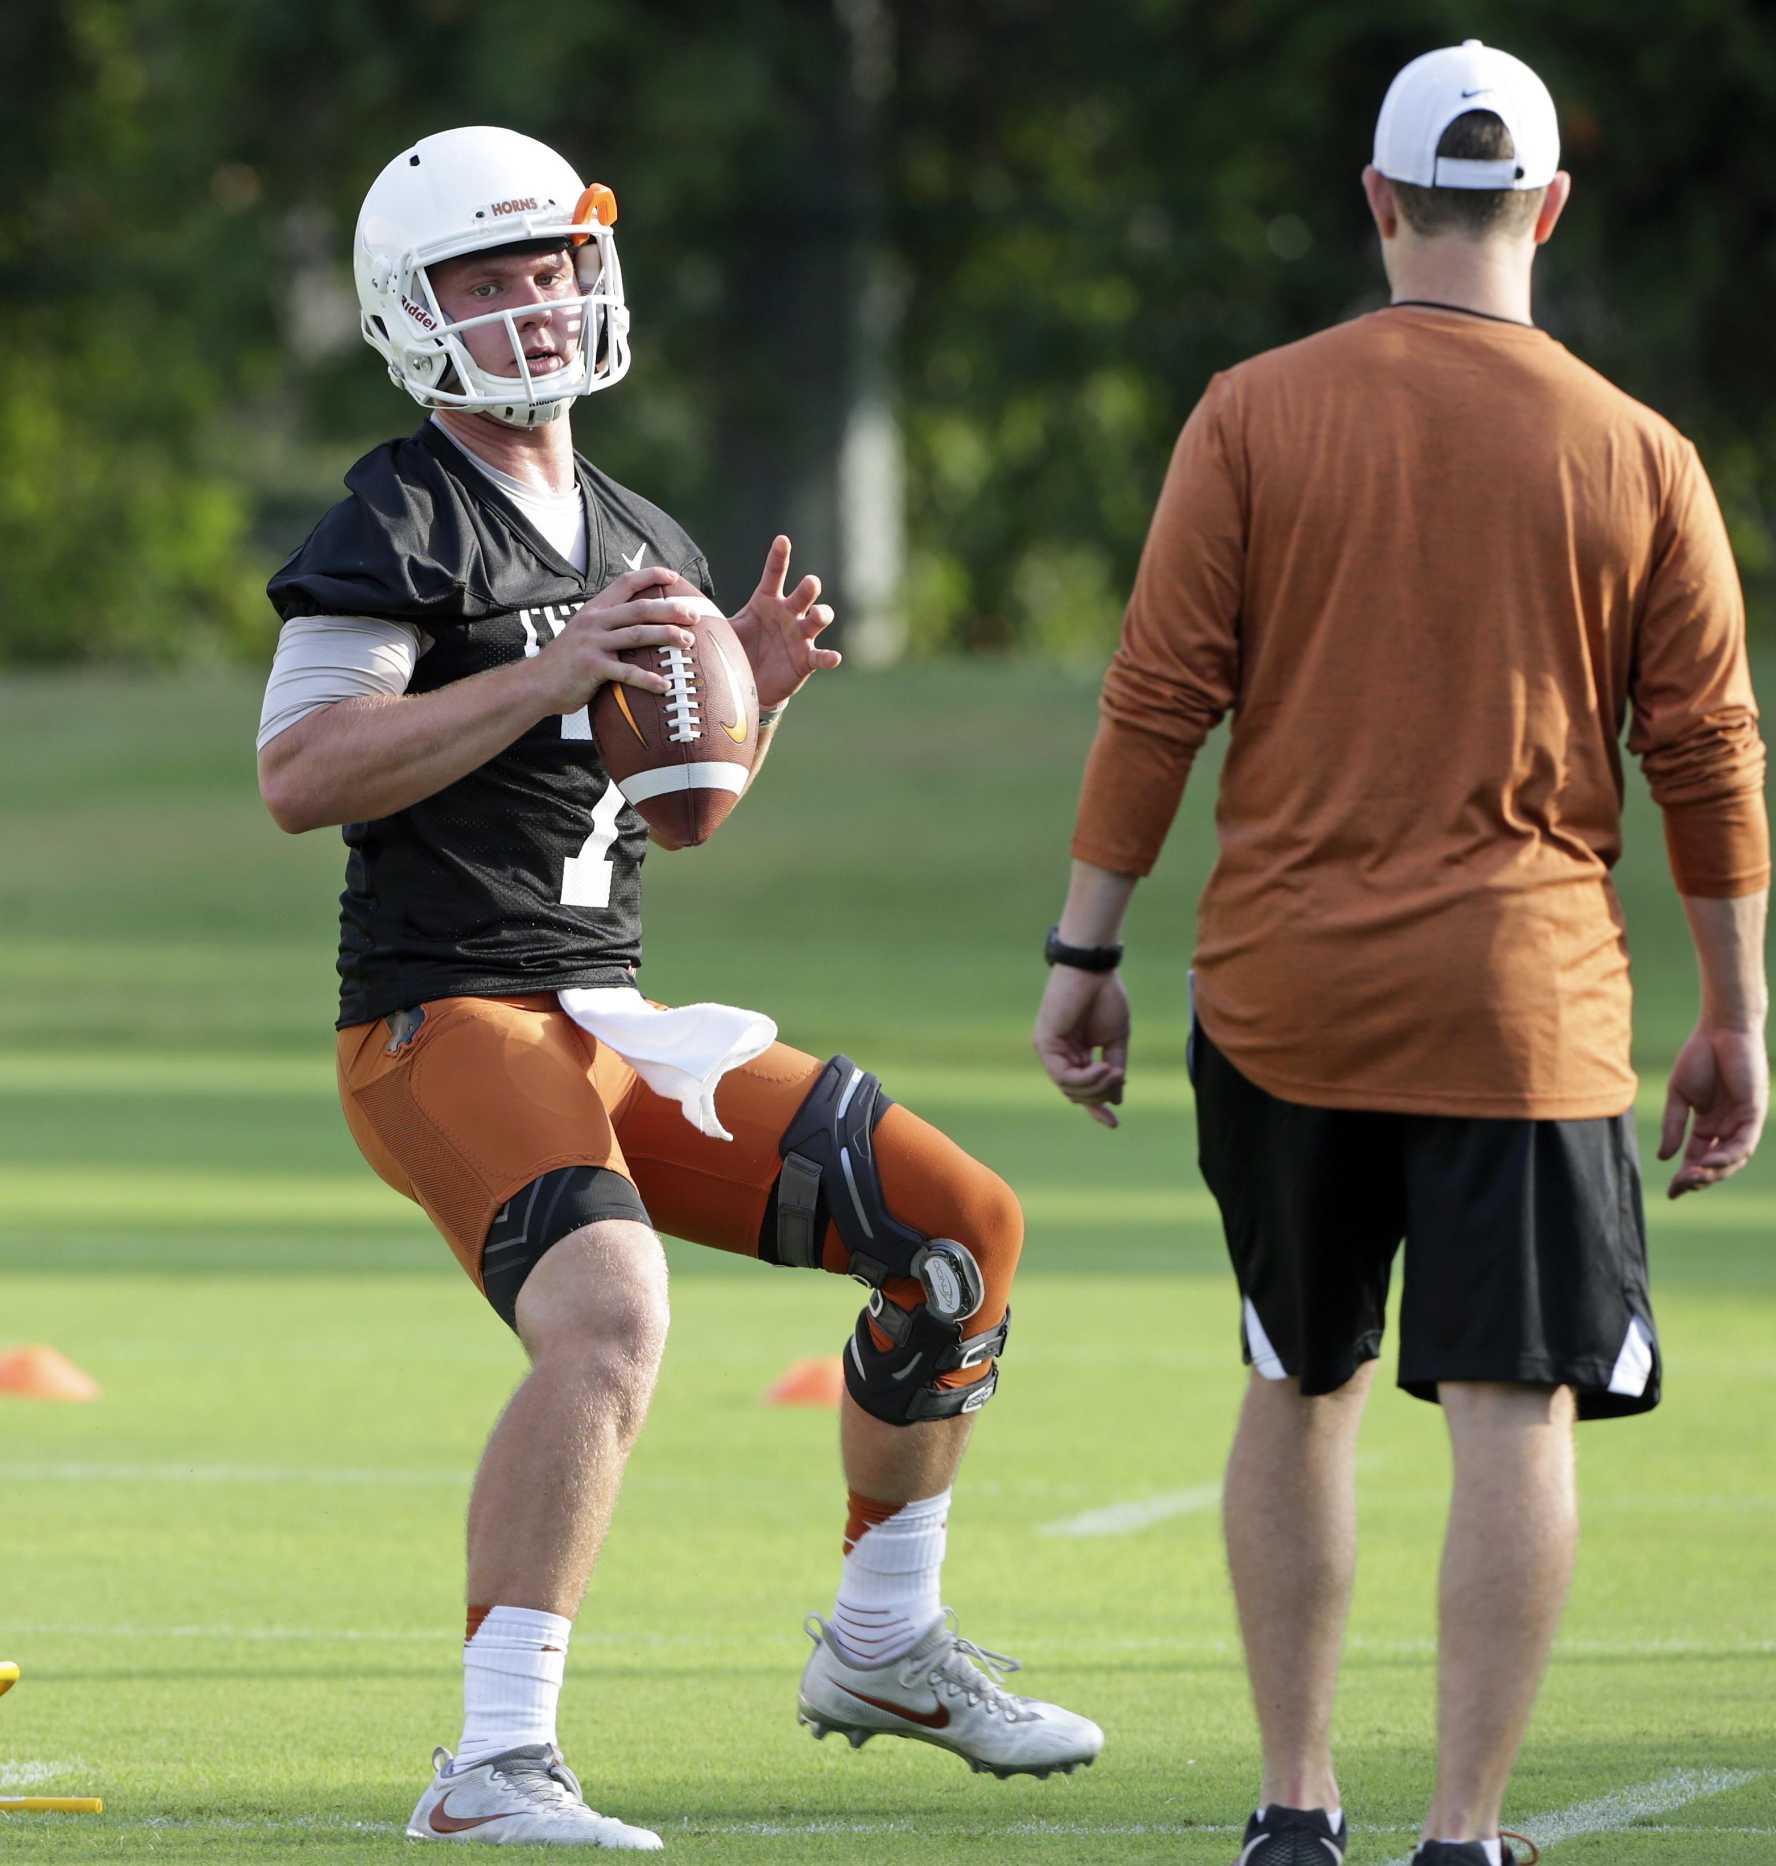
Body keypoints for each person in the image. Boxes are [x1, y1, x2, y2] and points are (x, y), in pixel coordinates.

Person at [257, 126, 1102, 1849]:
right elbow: (301, 766)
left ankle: (884, 1644)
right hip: (445, 1017)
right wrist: (553, 668)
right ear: (412, 314)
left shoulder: (639, 523)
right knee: (612, 1311)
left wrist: (752, 700)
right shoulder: (399, 512)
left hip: (610, 1012)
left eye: (555, 262)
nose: (538, 301)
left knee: (959, 1229)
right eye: (489, 277)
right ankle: (493, 1766)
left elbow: (673, 821)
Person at [1032, 40, 1767, 1866]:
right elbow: (1710, 753)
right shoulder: (1642, 453)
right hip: (1529, 1008)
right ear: (1550, 204)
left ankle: (1295, 1805)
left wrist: (1084, 948)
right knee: (1514, 1402)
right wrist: (1738, 1014)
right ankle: (1467, 1831)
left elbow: (1156, 699)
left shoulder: (1252, 412)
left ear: (1377, 201)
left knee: (1299, 1372)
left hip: (1282, 993)